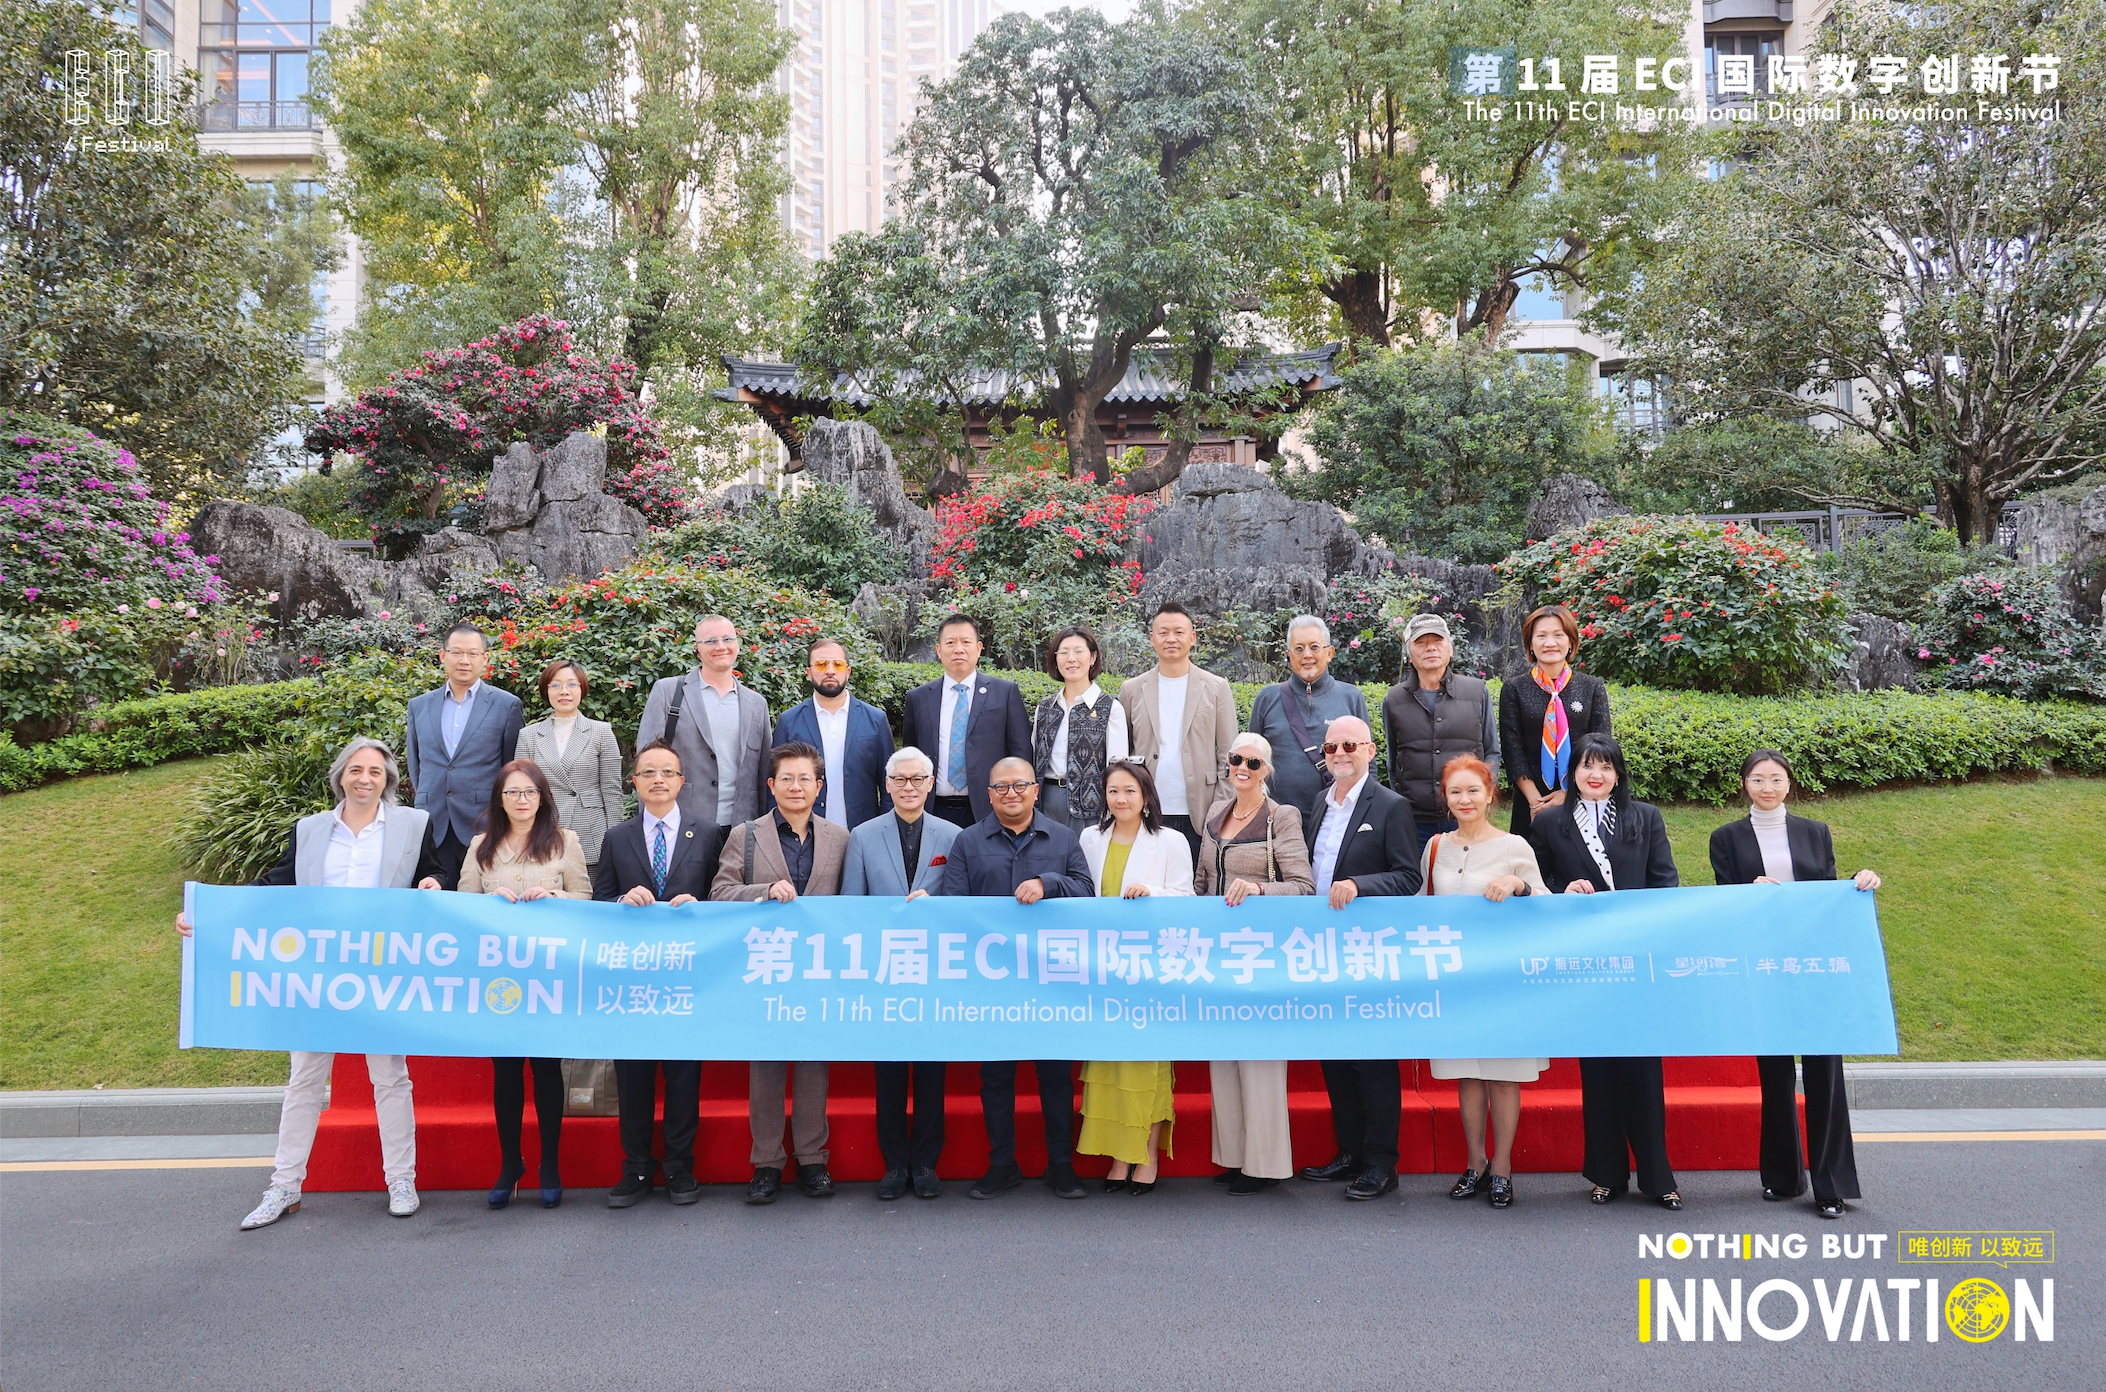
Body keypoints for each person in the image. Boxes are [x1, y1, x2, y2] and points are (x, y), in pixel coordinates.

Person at [175, 737, 444, 1229]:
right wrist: (208, 913)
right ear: (341, 775)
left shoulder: (413, 824)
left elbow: (434, 871)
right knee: (304, 1079)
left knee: (390, 1077)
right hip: (316, 974)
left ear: (388, 781)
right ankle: (284, 1186)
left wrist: (433, 882)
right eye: (356, 769)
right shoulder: (311, 829)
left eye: (375, 772)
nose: (365, 779)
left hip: (380, 970)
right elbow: (274, 884)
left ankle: (401, 1180)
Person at [1709, 748, 1882, 1220]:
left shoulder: (1814, 831)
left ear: (1789, 783)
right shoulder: (1725, 838)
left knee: (1825, 1074)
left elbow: (1828, 893)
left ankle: (1831, 1185)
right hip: (1764, 969)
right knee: (1775, 1075)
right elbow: (1724, 903)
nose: (1767, 787)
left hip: (1814, 968)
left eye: (1776, 779)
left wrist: (1859, 880)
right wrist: (1748, 892)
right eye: (1758, 779)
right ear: (1744, 784)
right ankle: (1783, 1177)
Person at [1531, 734, 1685, 1211]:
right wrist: (1562, 891)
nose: (1595, 775)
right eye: (1586, 766)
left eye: (1605, 767)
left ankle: (1658, 1178)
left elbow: (1665, 883)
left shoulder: (1645, 817)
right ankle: (1605, 1174)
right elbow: (1537, 883)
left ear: (1617, 775)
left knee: (1643, 1071)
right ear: (1572, 773)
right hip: (1583, 961)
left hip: (1636, 960)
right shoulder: (1550, 821)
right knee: (1596, 1070)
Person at [937, 756, 1094, 1200]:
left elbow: (1086, 891)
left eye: (1020, 785)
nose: (1012, 794)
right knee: (996, 1077)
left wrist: (1049, 882)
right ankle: (1002, 1163)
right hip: (994, 981)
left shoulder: (1063, 837)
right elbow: (955, 906)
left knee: (1055, 1075)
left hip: (1050, 978)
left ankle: (1060, 1164)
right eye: (1002, 787)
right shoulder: (968, 841)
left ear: (1036, 790)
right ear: (989, 795)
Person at [712, 742, 851, 1205]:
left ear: (819, 786)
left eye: (805, 779)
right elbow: (720, 893)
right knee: (766, 1067)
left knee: (814, 1065)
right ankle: (767, 1164)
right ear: (771, 785)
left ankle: (813, 1160)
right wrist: (764, 890)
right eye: (786, 779)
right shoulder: (745, 835)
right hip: (765, 966)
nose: (796, 787)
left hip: (818, 967)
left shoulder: (840, 837)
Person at [591, 740, 726, 1208]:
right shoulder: (617, 837)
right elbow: (599, 900)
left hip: (688, 975)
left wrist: (700, 905)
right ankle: (635, 1168)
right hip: (634, 978)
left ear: (682, 780)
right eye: (648, 772)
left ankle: (680, 1168)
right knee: (633, 1076)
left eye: (667, 772)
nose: (658, 780)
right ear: (635, 782)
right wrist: (620, 901)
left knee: (684, 1076)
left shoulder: (708, 833)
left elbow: (723, 896)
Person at [457, 759, 592, 1211]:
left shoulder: (565, 841)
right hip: (500, 979)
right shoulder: (480, 846)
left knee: (547, 1069)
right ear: (500, 798)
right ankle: (510, 1163)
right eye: (512, 792)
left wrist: (555, 896)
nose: (521, 800)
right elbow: (463, 906)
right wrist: (489, 903)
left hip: (548, 975)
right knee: (507, 1071)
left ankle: (549, 1163)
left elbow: (587, 897)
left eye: (529, 792)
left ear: (542, 797)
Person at [1299, 715, 1422, 1201]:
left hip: (1367, 950)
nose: (1339, 754)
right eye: (1331, 748)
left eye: (1350, 746)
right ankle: (1349, 1151)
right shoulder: (1318, 802)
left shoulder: (1391, 806)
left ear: (1370, 750)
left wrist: (1358, 885)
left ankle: (1381, 1163)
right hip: (1321, 949)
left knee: (1372, 1059)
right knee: (1335, 1057)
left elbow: (1408, 877)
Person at [1419, 755, 1549, 1211]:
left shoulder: (1514, 845)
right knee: (1467, 1074)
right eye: (1455, 792)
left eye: (1473, 790)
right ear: (1446, 798)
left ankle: (1503, 1168)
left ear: (1490, 793)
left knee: (1503, 1076)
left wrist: (1518, 884)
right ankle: (1474, 1163)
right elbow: (1419, 904)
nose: (1465, 799)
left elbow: (1545, 902)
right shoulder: (1435, 846)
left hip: (1502, 981)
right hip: (1454, 980)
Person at [1194, 732, 1314, 1196]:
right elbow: (1202, 881)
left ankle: (1265, 1164)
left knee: (1260, 1060)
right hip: (1216, 952)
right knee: (1224, 1056)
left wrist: (1259, 888)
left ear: (1267, 769)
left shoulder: (1282, 816)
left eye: (1253, 762)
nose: (1242, 768)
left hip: (1261, 953)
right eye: (1235, 759)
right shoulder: (1214, 812)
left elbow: (1303, 886)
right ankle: (1234, 1157)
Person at [840, 747, 960, 1201]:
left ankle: (926, 1162)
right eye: (900, 779)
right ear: (887, 785)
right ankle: (894, 1164)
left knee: (931, 1070)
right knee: (888, 1071)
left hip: (935, 969)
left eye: (918, 779)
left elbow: (964, 902)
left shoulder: (954, 835)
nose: (909, 787)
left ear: (931, 784)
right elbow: (852, 905)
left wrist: (938, 908)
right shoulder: (863, 836)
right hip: (884, 969)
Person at [1076, 762, 1192, 1194]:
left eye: (1129, 790)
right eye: (1112, 791)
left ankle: (1146, 1155)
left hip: (1150, 969)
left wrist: (1152, 893)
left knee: (1147, 1065)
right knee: (1108, 1063)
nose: (1120, 799)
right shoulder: (1090, 838)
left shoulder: (1171, 841)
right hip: (1103, 968)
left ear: (1145, 796)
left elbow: (1187, 898)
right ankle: (1118, 1156)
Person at [403, 622, 524, 888]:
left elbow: (511, 769)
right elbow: (416, 764)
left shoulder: (506, 705)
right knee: (433, 897)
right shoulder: (419, 706)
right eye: (456, 652)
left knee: (481, 900)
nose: (464, 660)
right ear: (442, 655)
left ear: (485, 658)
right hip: (432, 820)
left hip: (483, 822)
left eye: (472, 653)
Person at [1119, 601, 1238, 863]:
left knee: (1198, 883)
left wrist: (1218, 811)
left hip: (1200, 813)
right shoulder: (1132, 689)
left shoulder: (1216, 688)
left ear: (1192, 638)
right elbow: (1122, 755)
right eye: (1163, 632)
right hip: (1146, 811)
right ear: (1152, 639)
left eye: (1179, 632)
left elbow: (1229, 757)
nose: (1171, 639)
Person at [635, 614, 771, 828]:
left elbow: (764, 773)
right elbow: (646, 764)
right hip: (682, 823)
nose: (720, 646)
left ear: (737, 645)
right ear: (697, 649)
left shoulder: (756, 704)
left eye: (727, 639)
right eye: (710, 641)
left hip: (741, 826)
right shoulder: (668, 692)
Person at [900, 613, 1032, 829]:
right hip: (933, 810)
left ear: (979, 648)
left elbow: (1021, 754)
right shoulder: (919, 698)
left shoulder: (1004, 693)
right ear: (938, 650)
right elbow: (910, 754)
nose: (958, 649)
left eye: (966, 642)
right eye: (950, 643)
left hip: (989, 810)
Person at [1382, 614, 1499, 847]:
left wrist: (1481, 797)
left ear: (1450, 649)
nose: (1430, 648)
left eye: (1438, 640)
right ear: (1409, 654)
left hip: (1466, 816)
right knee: (1418, 871)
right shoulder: (1394, 699)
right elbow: (1393, 760)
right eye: (1421, 642)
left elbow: (1492, 751)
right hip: (1415, 819)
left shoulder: (1477, 692)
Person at [1498, 604, 1611, 841]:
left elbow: (1601, 746)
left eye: (1558, 635)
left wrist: (1568, 793)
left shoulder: (1591, 687)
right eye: (1541, 636)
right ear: (1530, 644)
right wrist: (1535, 802)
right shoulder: (1514, 688)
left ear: (1570, 642)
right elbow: (1512, 749)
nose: (1550, 643)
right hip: (1530, 800)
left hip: (1582, 795)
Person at [1244, 615, 1368, 822]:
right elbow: (1251, 761)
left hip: (1337, 818)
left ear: (1329, 653)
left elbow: (1367, 763)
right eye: (1299, 648)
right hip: (1276, 819)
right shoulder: (1267, 698)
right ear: (1288, 655)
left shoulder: (1351, 697)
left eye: (1314, 647)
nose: (1307, 655)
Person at [770, 637, 894, 831]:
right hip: (804, 833)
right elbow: (776, 785)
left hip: (862, 832)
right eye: (821, 664)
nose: (830, 671)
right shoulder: (789, 721)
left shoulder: (875, 720)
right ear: (809, 673)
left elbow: (890, 784)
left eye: (838, 664)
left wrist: (885, 830)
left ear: (848, 672)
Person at [513, 660, 624, 872]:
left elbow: (612, 792)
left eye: (572, 684)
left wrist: (617, 841)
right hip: (543, 830)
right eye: (556, 685)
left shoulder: (601, 732)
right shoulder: (529, 735)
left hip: (591, 831)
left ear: (582, 688)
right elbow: (520, 791)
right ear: (546, 690)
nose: (564, 691)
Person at [1031, 625, 1129, 832]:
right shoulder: (1046, 707)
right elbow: (1033, 756)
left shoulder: (1110, 707)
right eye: (1063, 652)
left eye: (1078, 651)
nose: (1071, 659)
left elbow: (1118, 768)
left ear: (1093, 657)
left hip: (1090, 808)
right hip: (1045, 803)